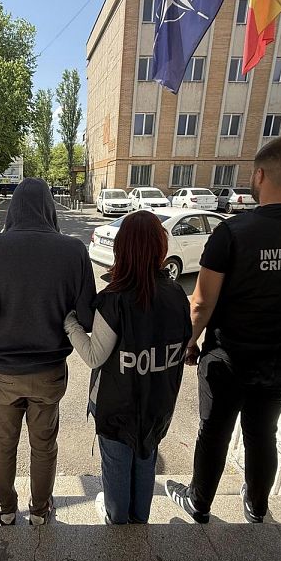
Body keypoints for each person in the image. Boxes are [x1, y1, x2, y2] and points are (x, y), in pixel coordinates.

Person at [165, 135, 281, 524]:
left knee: (214, 431)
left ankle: (199, 503)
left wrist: (188, 343)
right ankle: (257, 506)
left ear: (260, 174)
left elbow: (201, 303)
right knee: (263, 431)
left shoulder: (233, 232)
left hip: (229, 358)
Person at [0, 178, 97, 526]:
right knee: (44, 446)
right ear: (49, 208)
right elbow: (88, 318)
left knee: (3, 443)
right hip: (49, 371)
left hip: (1, 371)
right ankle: (40, 510)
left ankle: (5, 510)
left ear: (13, 208)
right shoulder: (73, 250)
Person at [64, 211, 191, 524]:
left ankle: (117, 520)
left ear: (122, 248)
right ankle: (140, 520)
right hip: (158, 402)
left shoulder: (114, 298)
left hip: (117, 405)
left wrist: (70, 324)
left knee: (117, 464)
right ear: (160, 248)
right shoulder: (177, 294)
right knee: (146, 458)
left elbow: (94, 356)